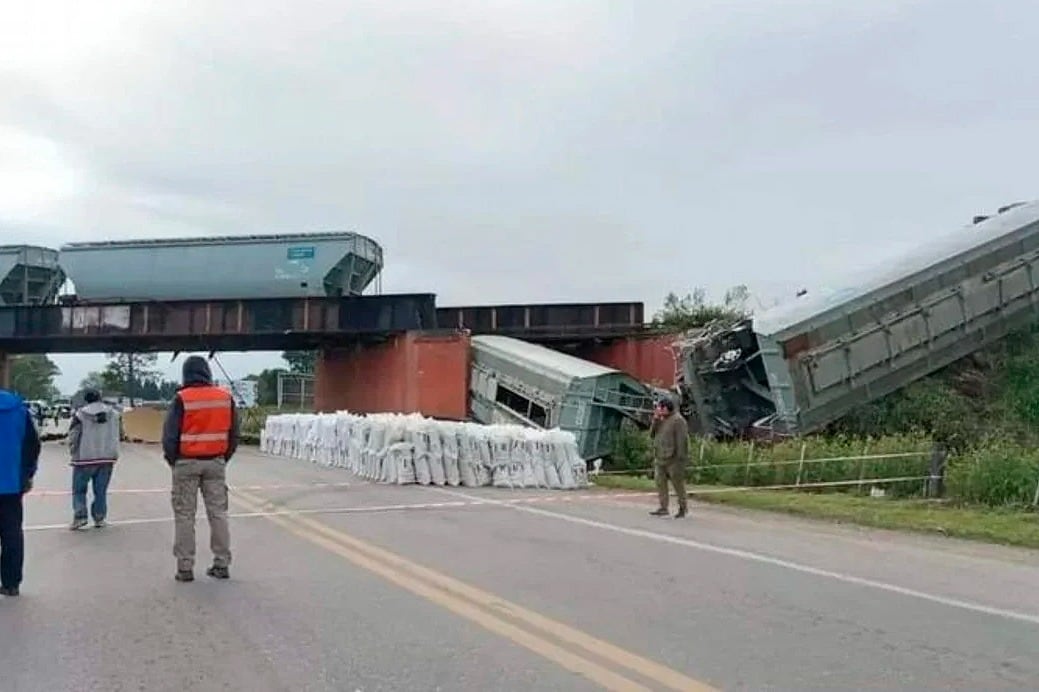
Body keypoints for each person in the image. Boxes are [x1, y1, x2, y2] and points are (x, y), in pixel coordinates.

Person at [162, 355, 239, 583]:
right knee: (218, 513)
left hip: (186, 462)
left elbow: (170, 435)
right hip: (216, 462)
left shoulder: (181, 399)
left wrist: (174, 460)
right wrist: (224, 457)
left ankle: (185, 567)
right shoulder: (225, 398)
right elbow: (234, 434)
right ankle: (222, 563)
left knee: (185, 515)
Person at [0, 388, 41, 597]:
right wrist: (27, 474)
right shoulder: (18, 409)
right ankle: (11, 582)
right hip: (11, 482)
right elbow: (32, 445)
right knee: (11, 533)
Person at [67, 389, 121, 530]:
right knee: (101, 490)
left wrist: (72, 450)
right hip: (107, 457)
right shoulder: (114, 414)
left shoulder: (80, 415)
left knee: (79, 490)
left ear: (86, 400)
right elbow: (117, 434)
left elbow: (74, 435)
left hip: (84, 457)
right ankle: (99, 517)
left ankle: (80, 517)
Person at [648, 396, 689, 518]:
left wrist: (681, 458)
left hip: (674, 459)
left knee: (678, 484)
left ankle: (682, 507)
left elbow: (682, 440)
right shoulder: (660, 419)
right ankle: (663, 507)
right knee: (660, 483)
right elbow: (651, 434)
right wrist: (655, 420)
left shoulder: (678, 420)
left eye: (660, 408)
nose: (658, 410)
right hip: (660, 456)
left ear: (666, 408)